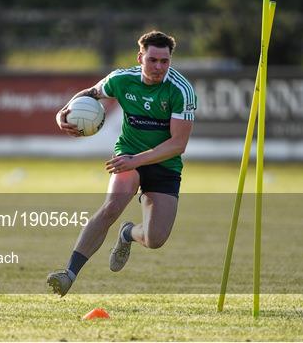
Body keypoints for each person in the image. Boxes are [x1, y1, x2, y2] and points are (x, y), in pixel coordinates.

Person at [47, 30, 197, 296]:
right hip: (128, 155)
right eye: (153, 60)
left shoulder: (181, 90)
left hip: (164, 163)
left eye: (165, 61)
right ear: (140, 58)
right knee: (111, 208)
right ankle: (69, 273)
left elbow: (177, 144)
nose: (159, 67)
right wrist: (63, 112)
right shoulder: (121, 79)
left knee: (155, 239)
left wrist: (135, 161)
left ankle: (128, 233)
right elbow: (91, 93)